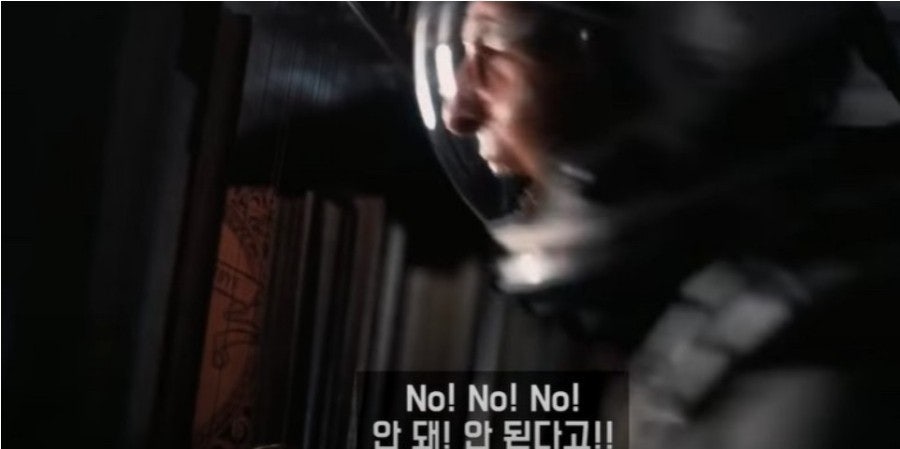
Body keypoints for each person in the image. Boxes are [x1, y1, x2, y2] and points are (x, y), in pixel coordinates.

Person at [414, 2, 900, 448]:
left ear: (689, 52)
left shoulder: (815, 378)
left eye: (493, 45)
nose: (459, 112)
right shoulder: (727, 336)